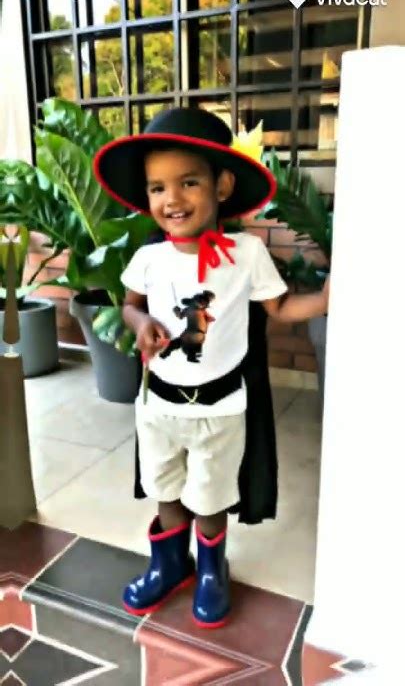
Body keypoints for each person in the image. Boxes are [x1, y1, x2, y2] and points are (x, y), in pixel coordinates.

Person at [94, 107, 330, 629]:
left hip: (221, 408)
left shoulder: (246, 254)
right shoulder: (150, 256)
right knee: (164, 487)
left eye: (189, 182)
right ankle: (169, 564)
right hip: (159, 405)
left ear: (222, 185)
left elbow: (280, 307)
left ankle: (210, 571)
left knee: (210, 494)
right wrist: (140, 322)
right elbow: (129, 304)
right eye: (158, 188)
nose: (172, 199)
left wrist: (324, 300)